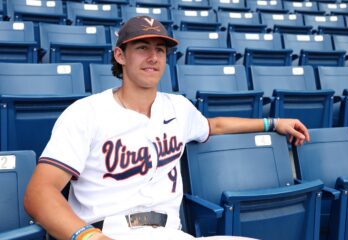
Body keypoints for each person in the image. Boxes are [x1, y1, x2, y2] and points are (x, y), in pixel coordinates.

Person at [24, 16, 310, 240]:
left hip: (170, 232)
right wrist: (89, 236)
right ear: (120, 56)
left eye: (160, 50)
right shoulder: (86, 113)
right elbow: (39, 194)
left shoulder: (179, 108)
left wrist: (274, 122)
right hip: (108, 231)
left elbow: (215, 125)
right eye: (142, 48)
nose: (153, 57)